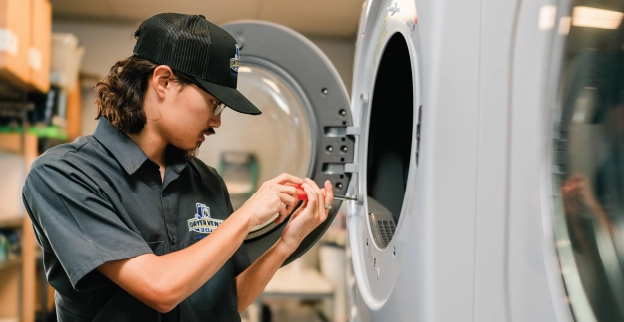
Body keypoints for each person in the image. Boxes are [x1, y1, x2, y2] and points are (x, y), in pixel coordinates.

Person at [22, 13, 334, 321]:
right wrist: (248, 214)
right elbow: (161, 290)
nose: (217, 121)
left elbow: (227, 302)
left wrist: (285, 244)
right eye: (213, 103)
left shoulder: (207, 181)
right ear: (163, 81)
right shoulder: (64, 175)